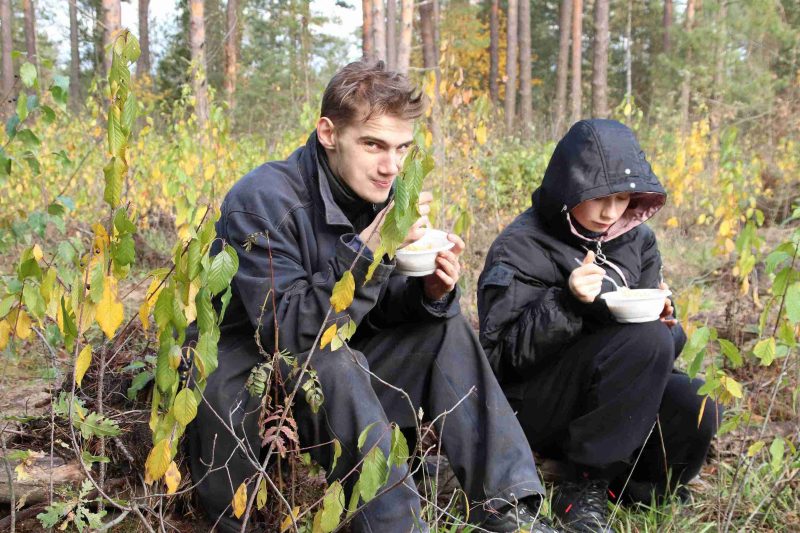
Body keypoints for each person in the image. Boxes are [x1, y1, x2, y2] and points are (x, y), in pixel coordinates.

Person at [187, 61, 558, 533]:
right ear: (328, 132)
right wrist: (368, 252)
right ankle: (396, 525)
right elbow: (289, 334)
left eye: (402, 148)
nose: (391, 167)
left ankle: (512, 511)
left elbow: (375, 309)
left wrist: (428, 292)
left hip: (336, 374)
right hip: (249, 376)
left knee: (442, 328)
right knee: (333, 359)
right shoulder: (263, 199)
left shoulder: (375, 191)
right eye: (373, 144)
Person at [477, 119, 722, 532]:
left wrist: (668, 322)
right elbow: (501, 360)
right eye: (599, 198)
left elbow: (655, 351)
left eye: (623, 197)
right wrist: (567, 302)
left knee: (694, 399)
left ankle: (634, 487)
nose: (611, 212)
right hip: (538, 403)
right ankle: (582, 486)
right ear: (568, 188)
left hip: (610, 399)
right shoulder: (521, 245)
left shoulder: (636, 239)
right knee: (642, 342)